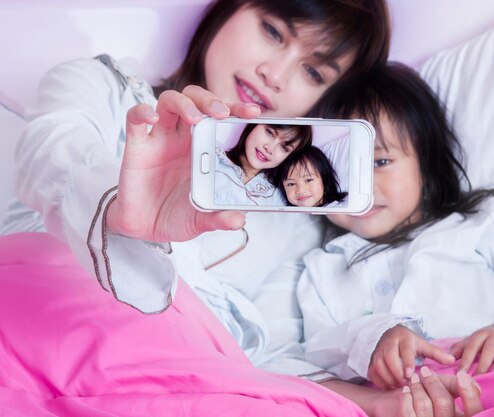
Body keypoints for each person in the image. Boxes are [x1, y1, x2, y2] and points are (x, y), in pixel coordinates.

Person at [3, 0, 390, 368]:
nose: (274, 76)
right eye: (273, 31)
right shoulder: (106, 88)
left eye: (313, 72)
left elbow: (272, 363)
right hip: (35, 334)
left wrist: (378, 394)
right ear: (230, 8)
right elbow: (50, 152)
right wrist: (117, 212)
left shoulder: (294, 217)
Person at [278, 61, 494, 414]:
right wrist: (375, 337)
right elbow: (313, 364)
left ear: (426, 166)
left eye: (380, 162)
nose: (360, 186)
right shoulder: (323, 268)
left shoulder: (485, 222)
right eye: (336, 171)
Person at [215, 123, 312, 206]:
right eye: (269, 132)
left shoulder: (280, 196)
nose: (269, 148)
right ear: (254, 124)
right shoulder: (212, 157)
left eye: (284, 147)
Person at [270, 145, 347, 207]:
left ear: (324, 180)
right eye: (291, 184)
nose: (300, 190)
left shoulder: (336, 209)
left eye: (308, 180)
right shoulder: (287, 216)